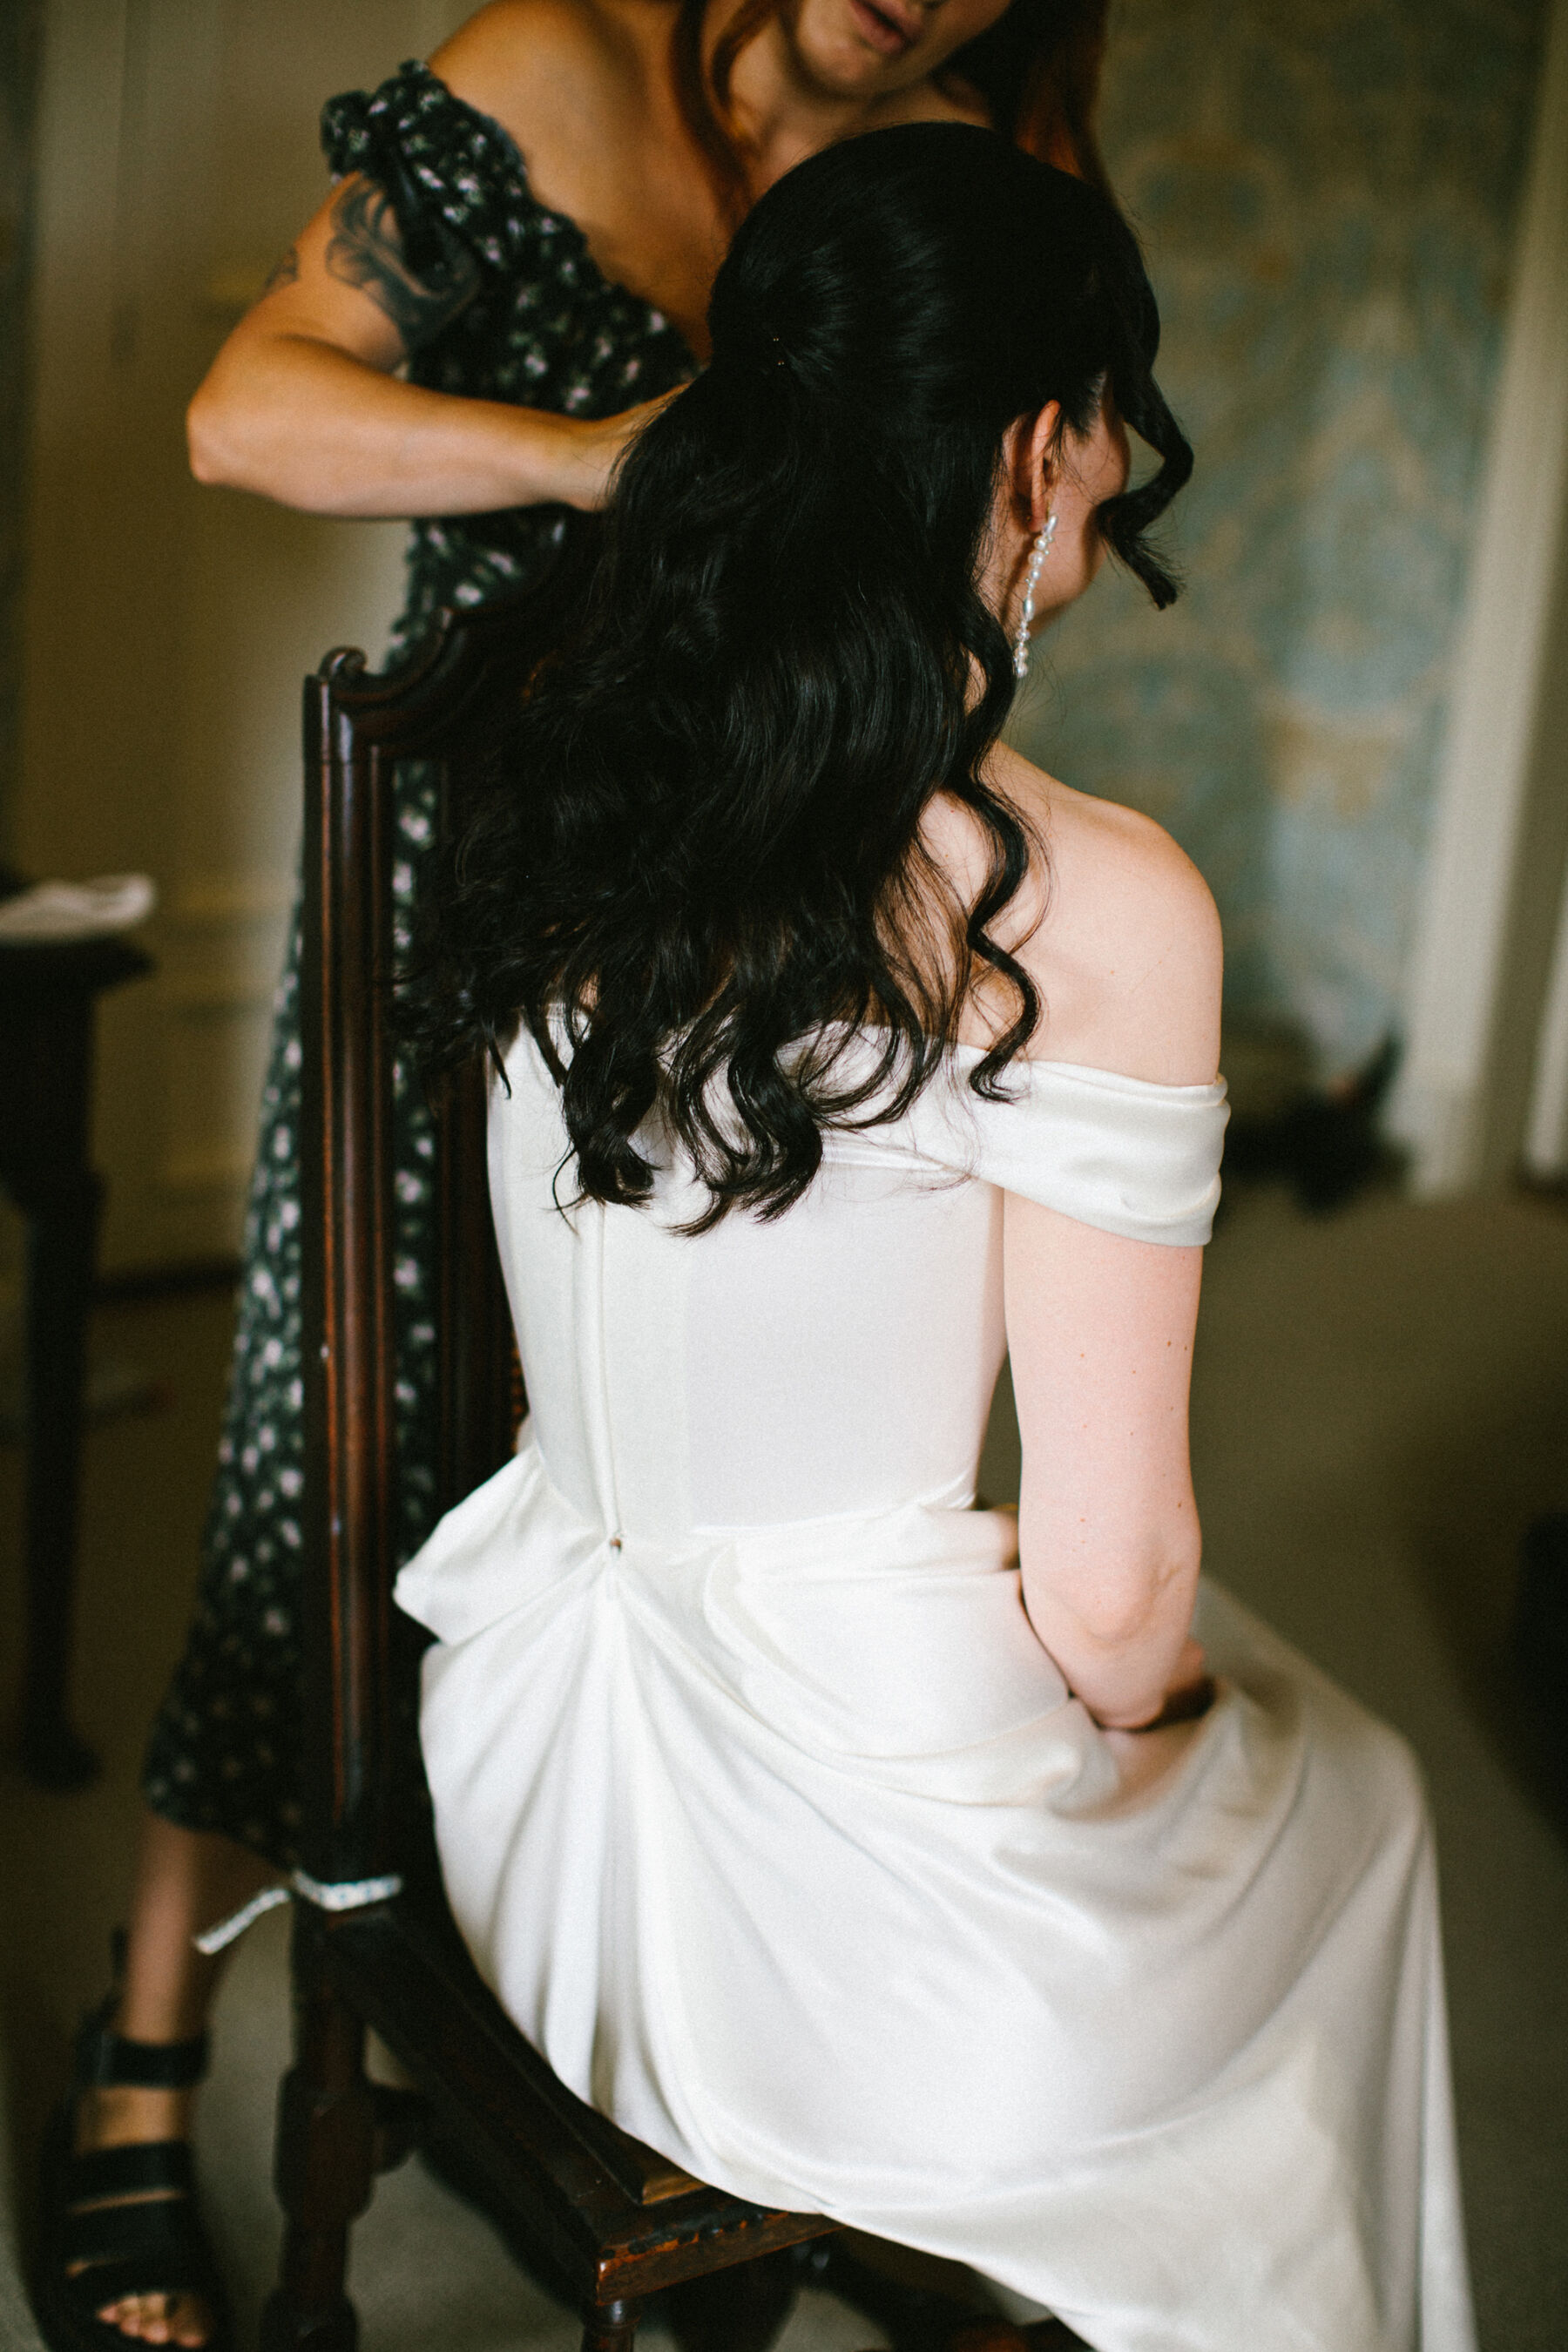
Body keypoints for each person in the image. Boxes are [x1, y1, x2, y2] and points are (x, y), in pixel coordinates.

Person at [37, 8, 1113, 2352]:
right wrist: (601, 464)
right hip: (472, 872)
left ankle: (681, 2009)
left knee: (719, 1475)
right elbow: (246, 410)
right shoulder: (547, 69)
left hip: (778, 882)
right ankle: (145, 2044)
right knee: (328, 1442)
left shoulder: (964, 152)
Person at [392, 123, 1478, 2352]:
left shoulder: (568, 754)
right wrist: (1164, 1732)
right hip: (818, 1932)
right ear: (1037, 446)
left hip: (524, 1789)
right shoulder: (1083, 901)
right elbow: (1110, 1589)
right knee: (1349, 1796)